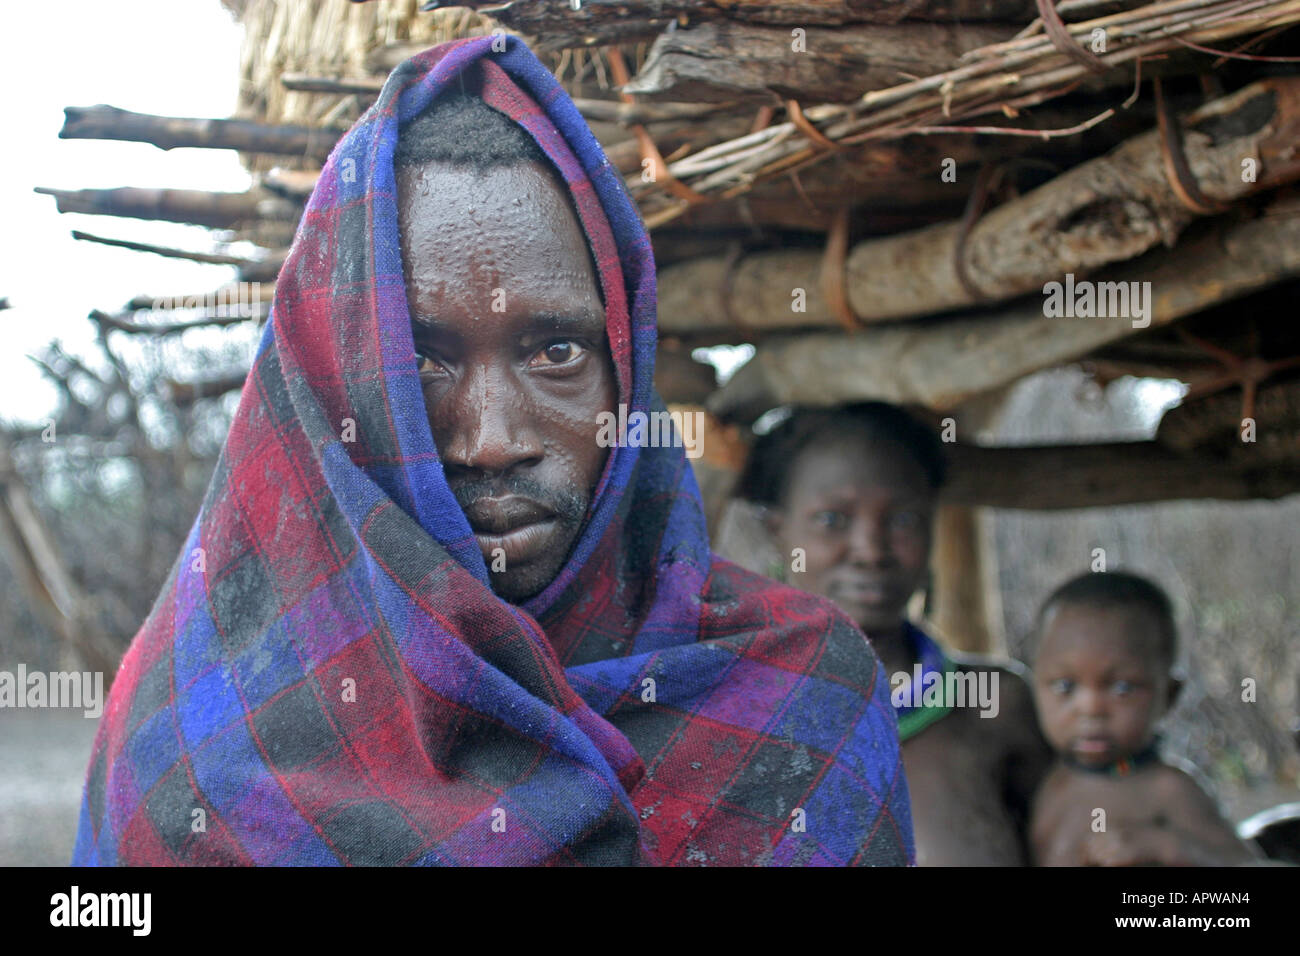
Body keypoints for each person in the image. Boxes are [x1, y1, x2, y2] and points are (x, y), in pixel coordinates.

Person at [70, 36, 912, 866]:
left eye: (557, 354)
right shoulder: (195, 753)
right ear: (331, 391)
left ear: (628, 371)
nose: (494, 441)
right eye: (418, 364)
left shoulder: (803, 693)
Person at [737, 402, 1051, 865]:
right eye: (832, 520)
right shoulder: (724, 709)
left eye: (904, 519)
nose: (871, 550)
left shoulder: (995, 708)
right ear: (777, 531)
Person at [1029, 570, 1259, 866]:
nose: (1090, 708)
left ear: (1169, 696)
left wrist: (1169, 847)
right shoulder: (1043, 775)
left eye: (1123, 688)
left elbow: (1248, 866)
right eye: (1065, 686)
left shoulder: (1168, 790)